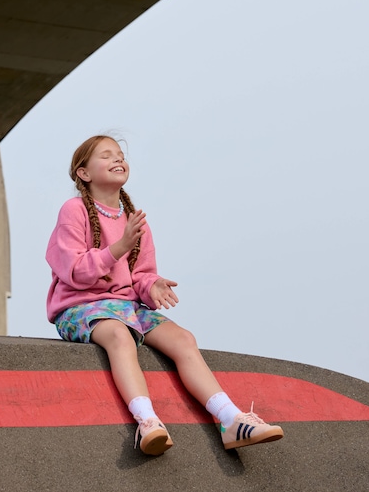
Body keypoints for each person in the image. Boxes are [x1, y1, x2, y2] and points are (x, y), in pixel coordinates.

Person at [46, 135, 285, 456]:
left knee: (183, 338)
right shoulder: (73, 210)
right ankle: (147, 422)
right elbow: (72, 269)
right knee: (119, 336)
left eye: (120, 154)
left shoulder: (134, 220)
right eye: (106, 156)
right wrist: (118, 248)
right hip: (79, 307)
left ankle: (231, 420)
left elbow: (140, 274)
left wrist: (151, 285)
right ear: (84, 173)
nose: (117, 159)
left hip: (126, 305)